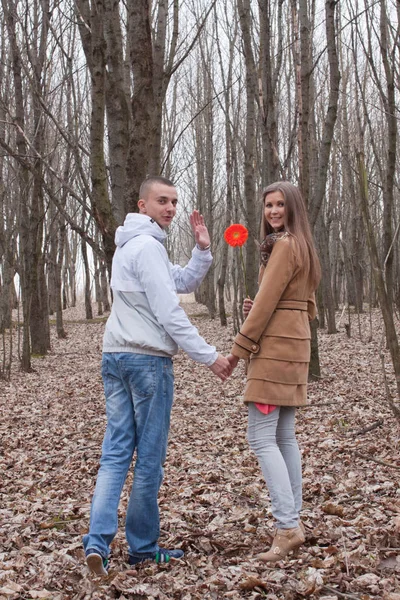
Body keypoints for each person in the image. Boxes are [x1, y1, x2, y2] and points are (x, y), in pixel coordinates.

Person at [83, 176, 232, 575]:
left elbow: (179, 281)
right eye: (161, 201)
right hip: (146, 361)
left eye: (174, 202)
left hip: (114, 355)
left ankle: (97, 545)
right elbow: (170, 311)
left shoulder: (131, 244)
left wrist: (202, 249)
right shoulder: (147, 247)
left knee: (115, 454)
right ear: (142, 205)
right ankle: (143, 550)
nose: (169, 208)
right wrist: (210, 357)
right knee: (148, 460)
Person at [227, 181, 321, 563]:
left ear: (293, 208)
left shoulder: (283, 245)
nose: (273, 211)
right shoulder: (302, 247)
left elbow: (268, 305)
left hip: (274, 353)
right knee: (283, 436)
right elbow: (304, 305)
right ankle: (292, 520)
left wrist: (239, 348)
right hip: (294, 347)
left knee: (261, 437)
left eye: (281, 204)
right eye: (268, 205)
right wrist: (265, 301)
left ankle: (287, 526)